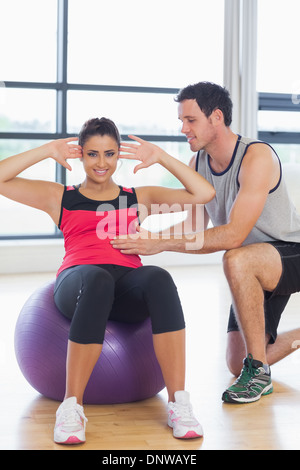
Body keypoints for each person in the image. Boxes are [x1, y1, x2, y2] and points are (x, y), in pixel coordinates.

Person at [0, 117, 215, 444]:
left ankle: (178, 403)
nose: (102, 163)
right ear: (81, 155)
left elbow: (204, 193)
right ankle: (71, 408)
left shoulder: (138, 197)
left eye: (110, 154)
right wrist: (46, 150)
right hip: (79, 282)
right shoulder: (60, 197)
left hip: (127, 286)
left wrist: (160, 156)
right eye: (93, 154)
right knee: (98, 279)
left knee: (158, 277)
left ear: (118, 156)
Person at [111, 82, 300, 405]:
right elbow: (193, 225)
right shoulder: (199, 164)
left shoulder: (256, 156)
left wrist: (160, 243)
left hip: (289, 253)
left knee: (235, 257)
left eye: (190, 120)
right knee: (235, 361)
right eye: (181, 120)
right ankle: (263, 360)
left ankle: (258, 374)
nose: (183, 128)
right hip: (252, 264)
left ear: (216, 117)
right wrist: (142, 234)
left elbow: (232, 235)